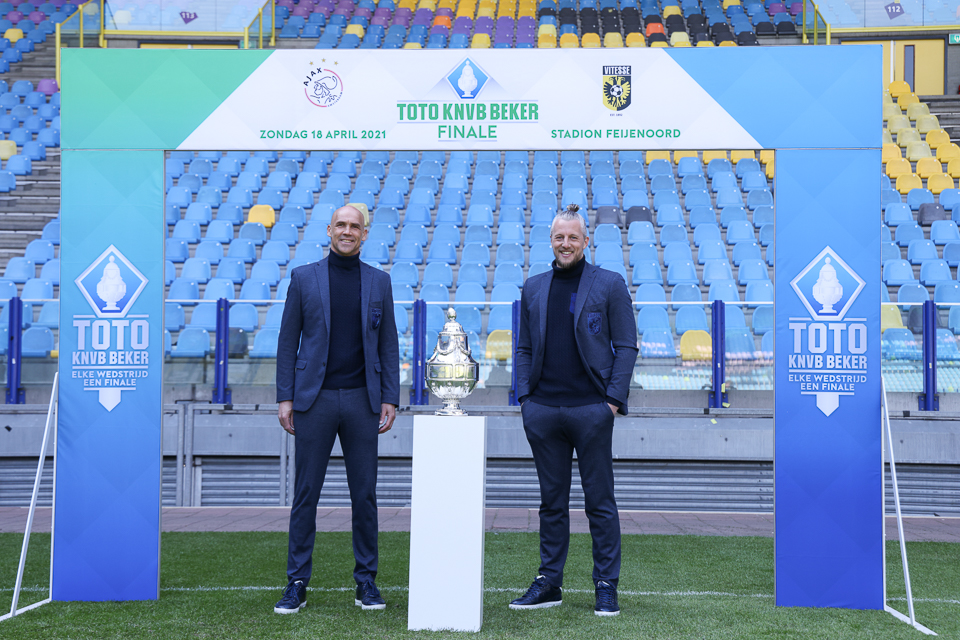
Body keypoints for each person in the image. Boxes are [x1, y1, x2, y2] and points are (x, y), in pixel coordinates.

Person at [510, 204, 639, 617]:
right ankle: (550, 582)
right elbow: (524, 348)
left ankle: (606, 584)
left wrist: (611, 402)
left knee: (600, 502)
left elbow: (627, 346)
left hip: (592, 410)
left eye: (573, 237)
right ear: (551, 241)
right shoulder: (533, 287)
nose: (566, 244)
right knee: (551, 503)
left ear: (586, 241)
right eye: (559, 237)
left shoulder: (610, 283)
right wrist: (526, 400)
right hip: (543, 410)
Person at [273, 204, 400, 614]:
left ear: (364, 234)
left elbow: (389, 343)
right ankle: (296, 582)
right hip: (315, 400)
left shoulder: (379, 281)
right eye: (341, 225)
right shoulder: (303, 278)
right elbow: (287, 341)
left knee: (364, 495)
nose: (347, 231)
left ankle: (366, 581)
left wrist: (390, 396)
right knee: (305, 494)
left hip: (363, 401)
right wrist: (286, 397)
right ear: (329, 230)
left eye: (354, 226)